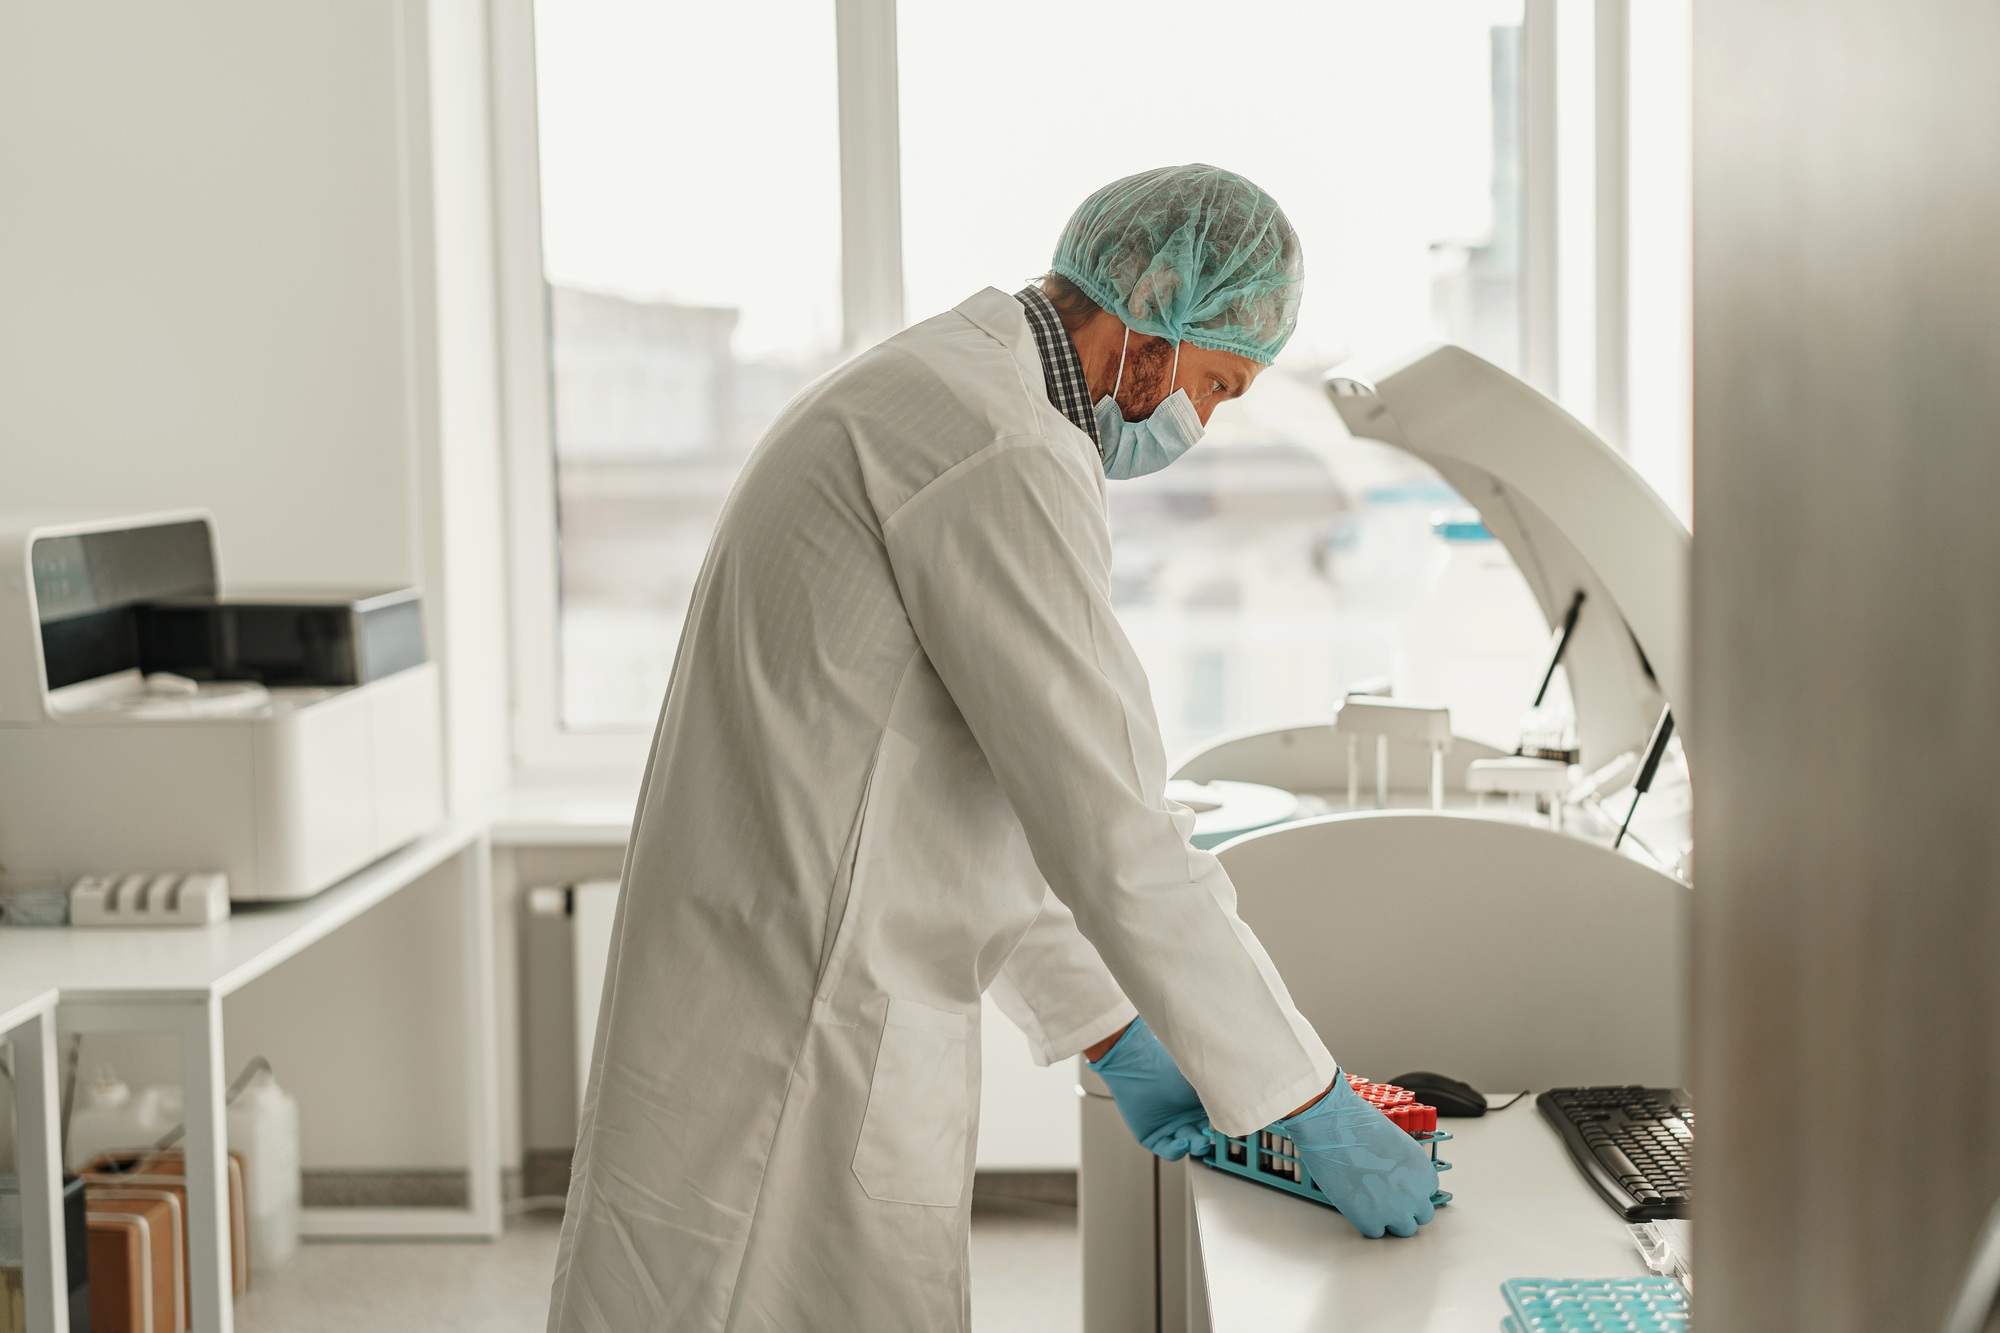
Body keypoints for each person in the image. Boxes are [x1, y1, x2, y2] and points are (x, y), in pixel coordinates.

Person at [545, 164, 1438, 1333]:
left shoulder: (944, 393)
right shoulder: (1001, 449)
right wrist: (1306, 1096)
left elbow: (979, 793)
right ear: (1154, 312)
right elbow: (1110, 823)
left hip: (784, 985)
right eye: (1214, 386)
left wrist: (1115, 1029)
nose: (1200, 425)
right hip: (802, 1030)